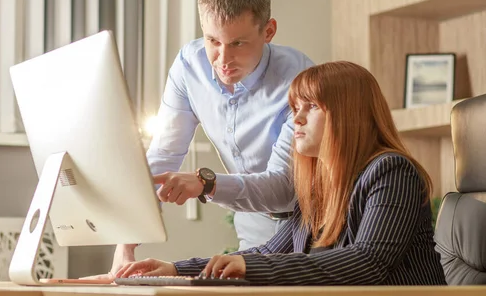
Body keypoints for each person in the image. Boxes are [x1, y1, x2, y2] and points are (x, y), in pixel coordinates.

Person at [115, 61, 447, 286]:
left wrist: (252, 268)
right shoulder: (321, 185)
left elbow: (366, 262)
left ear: (349, 114)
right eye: (295, 108)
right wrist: (176, 269)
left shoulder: (391, 172)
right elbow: (269, 251)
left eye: (312, 107)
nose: (297, 120)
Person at [109, 0, 315, 275]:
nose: (222, 59)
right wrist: (125, 244)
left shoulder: (299, 78)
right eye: (213, 40)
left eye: (238, 43)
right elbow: (163, 156)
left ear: (268, 31)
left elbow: (284, 187)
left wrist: (206, 183)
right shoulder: (188, 66)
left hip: (309, 223)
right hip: (251, 221)